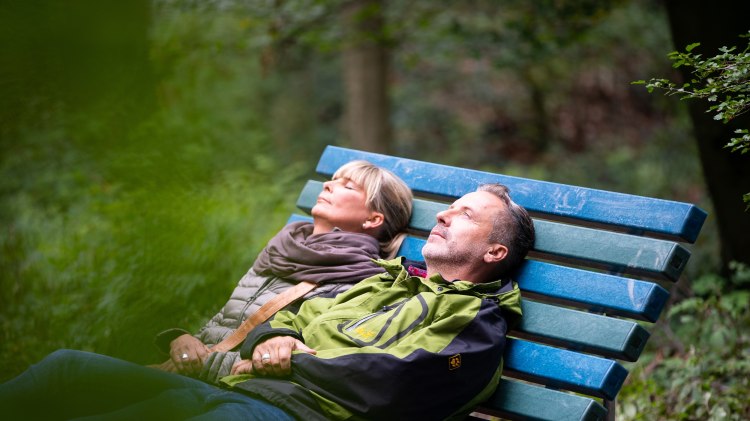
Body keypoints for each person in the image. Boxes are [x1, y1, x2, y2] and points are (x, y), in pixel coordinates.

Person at [0, 183, 535, 421]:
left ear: (495, 250)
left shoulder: (475, 324)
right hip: (236, 388)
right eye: (448, 208)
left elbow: (399, 385)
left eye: (465, 215)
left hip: (292, 413)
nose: (443, 215)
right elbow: (288, 318)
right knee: (66, 370)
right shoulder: (385, 282)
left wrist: (293, 358)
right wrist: (273, 338)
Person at [155, 160, 414, 381]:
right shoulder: (279, 251)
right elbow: (226, 322)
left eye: (347, 186)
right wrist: (178, 340)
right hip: (190, 371)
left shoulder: (357, 281)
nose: (327, 185)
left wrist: (195, 364)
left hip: (224, 386)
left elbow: (295, 357)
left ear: (372, 219)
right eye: (333, 180)